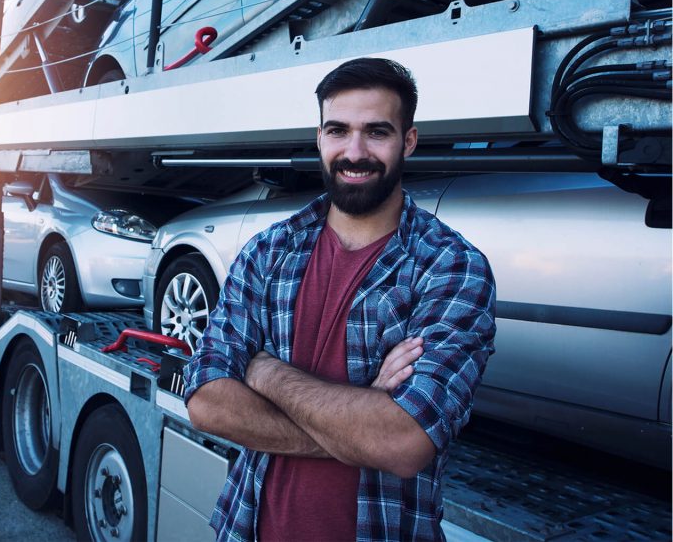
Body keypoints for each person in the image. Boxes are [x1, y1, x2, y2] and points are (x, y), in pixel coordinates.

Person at [183, 57, 496, 542]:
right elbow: (206, 401)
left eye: (376, 132)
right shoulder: (270, 252)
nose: (354, 152)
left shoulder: (450, 267)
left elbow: (404, 442)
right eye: (338, 131)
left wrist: (264, 372)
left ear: (408, 141)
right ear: (319, 138)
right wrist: (364, 418)